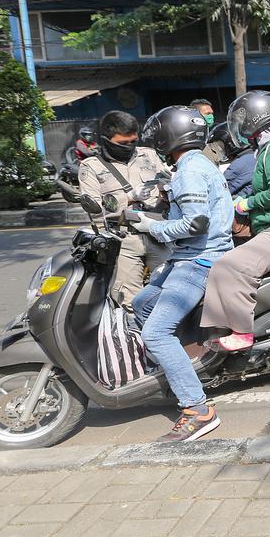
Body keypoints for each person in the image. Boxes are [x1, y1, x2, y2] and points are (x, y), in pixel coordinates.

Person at [126, 105, 234, 441]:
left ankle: (198, 410)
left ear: (170, 134)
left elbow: (196, 223)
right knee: (142, 303)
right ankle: (174, 369)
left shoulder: (189, 169)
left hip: (199, 261)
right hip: (187, 256)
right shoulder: (193, 164)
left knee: (155, 333)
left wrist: (151, 227)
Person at [200, 91, 270, 351]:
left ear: (256, 118)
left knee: (230, 266)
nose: (240, 125)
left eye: (243, 118)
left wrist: (246, 203)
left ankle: (242, 331)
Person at [78, 111, 170, 310]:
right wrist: (129, 197)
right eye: (123, 143)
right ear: (106, 140)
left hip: (158, 233)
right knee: (129, 301)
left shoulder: (149, 156)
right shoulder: (91, 167)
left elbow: (169, 187)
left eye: (133, 141)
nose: (130, 147)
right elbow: (95, 209)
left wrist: (168, 188)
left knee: (171, 293)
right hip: (123, 240)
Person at [193, 99, 225, 163]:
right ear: (196, 115)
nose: (211, 116)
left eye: (211, 113)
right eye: (207, 114)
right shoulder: (191, 134)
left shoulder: (217, 130)